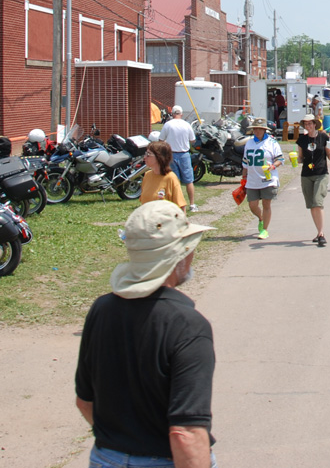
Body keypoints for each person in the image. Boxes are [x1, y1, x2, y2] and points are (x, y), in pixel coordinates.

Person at [75, 200, 216, 468]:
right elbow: (185, 433)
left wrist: (124, 444)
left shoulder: (101, 310)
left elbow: (85, 402)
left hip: (106, 457)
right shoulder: (188, 326)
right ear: (180, 256)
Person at [242, 118, 283, 240]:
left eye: (259, 129)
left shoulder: (272, 143)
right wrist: (244, 176)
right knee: (252, 205)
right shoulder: (249, 143)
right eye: (255, 128)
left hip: (268, 179)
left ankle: (265, 229)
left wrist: (272, 166)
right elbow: (245, 162)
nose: (257, 131)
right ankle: (261, 218)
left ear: (265, 130)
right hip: (252, 179)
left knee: (266, 204)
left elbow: (280, 159)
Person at [295, 115, 330, 247]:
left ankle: (321, 234)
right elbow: (300, 158)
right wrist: (294, 160)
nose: (308, 126)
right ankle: (318, 232)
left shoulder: (323, 137)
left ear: (315, 124)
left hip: (321, 173)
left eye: (310, 123)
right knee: (311, 205)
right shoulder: (302, 140)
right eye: (306, 124)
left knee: (317, 202)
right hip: (306, 174)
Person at [159, 105, 200, 213]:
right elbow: (193, 140)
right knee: (189, 181)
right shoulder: (186, 125)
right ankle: (192, 204)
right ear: (181, 114)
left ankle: (176, 204)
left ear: (172, 114)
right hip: (184, 154)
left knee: (175, 182)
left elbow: (161, 139)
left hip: (171, 155)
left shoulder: (168, 125)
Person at [139, 141, 188, 209]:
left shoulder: (171, 178)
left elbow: (181, 207)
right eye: (145, 154)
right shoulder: (147, 175)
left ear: (159, 157)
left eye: (148, 154)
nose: (144, 157)